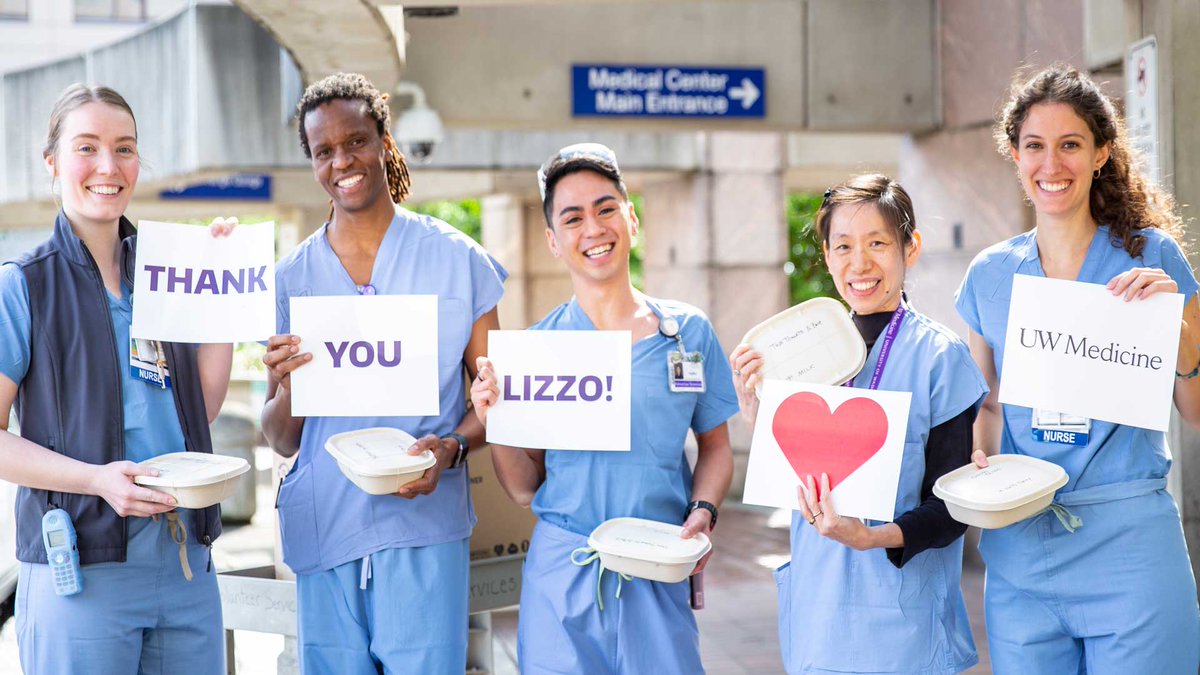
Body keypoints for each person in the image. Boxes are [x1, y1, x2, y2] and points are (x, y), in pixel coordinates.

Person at [956, 65, 1200, 673]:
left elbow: (1195, 412)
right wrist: (980, 463)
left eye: (1071, 145)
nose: (1051, 164)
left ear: (1101, 153)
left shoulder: (1153, 258)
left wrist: (1180, 337)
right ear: (1015, 155)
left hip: (1130, 545)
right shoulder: (989, 275)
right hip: (1020, 548)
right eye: (1035, 146)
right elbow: (986, 405)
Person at [260, 72, 506, 674]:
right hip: (327, 526)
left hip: (423, 525)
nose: (343, 160)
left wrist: (449, 448)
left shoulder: (459, 261)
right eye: (324, 152)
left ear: (384, 142)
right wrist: (290, 385)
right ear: (313, 163)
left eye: (356, 142)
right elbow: (280, 436)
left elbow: (498, 401)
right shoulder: (292, 278)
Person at [470, 143, 739, 674]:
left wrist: (703, 513)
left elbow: (715, 447)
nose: (593, 228)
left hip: (657, 562)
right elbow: (524, 488)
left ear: (631, 219)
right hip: (563, 573)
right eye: (572, 218)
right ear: (553, 241)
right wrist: (493, 421)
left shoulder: (687, 334)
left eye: (606, 208)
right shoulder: (536, 350)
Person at [0, 84, 235, 674]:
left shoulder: (168, 272)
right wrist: (96, 480)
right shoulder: (22, 287)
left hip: (184, 568)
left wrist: (228, 291)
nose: (109, 166)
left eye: (125, 148)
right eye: (88, 147)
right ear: (52, 163)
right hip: (82, 570)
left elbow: (199, 409)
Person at [731, 174, 987, 674]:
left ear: (909, 248)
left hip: (902, 617)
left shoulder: (939, 357)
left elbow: (953, 509)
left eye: (877, 243)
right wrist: (753, 408)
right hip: (818, 611)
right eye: (843, 246)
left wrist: (872, 537)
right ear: (826, 256)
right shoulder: (798, 353)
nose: (860, 263)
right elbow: (790, 471)